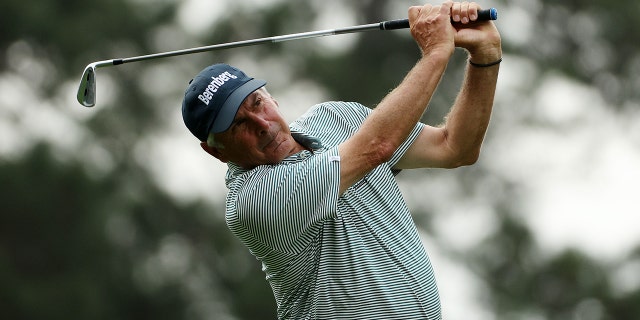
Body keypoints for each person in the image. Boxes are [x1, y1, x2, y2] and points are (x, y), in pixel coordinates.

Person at [181, 1, 501, 319]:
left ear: (271, 96)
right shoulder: (253, 203)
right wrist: (435, 53)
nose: (262, 125)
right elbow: (377, 145)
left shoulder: (335, 117)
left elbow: (454, 148)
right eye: (239, 125)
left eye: (257, 103)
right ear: (216, 151)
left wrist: (484, 56)